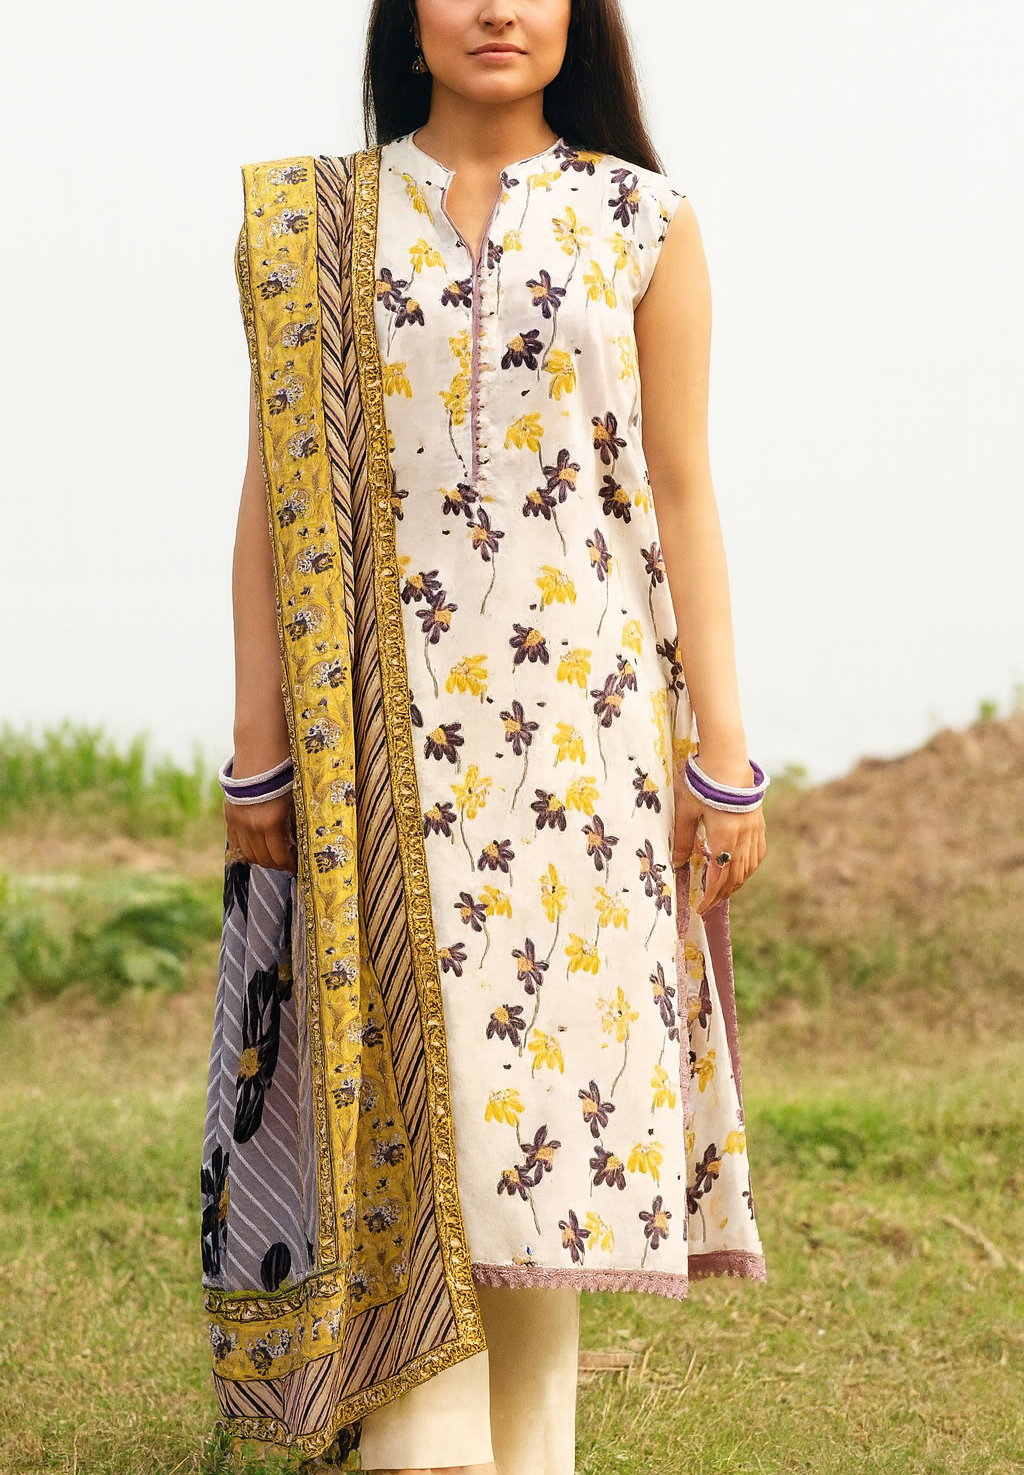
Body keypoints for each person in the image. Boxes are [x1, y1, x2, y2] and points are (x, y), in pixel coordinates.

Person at [201, 2, 768, 1471]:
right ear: (407, 17)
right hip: (374, 753)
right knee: (417, 1102)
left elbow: (685, 491)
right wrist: (258, 748)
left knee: (540, 1151)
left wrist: (725, 751)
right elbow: (271, 499)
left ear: (582, 19)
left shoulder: (641, 219)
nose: (497, 7)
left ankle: (527, 1451)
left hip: (582, 758)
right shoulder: (312, 222)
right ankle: (424, 1444)